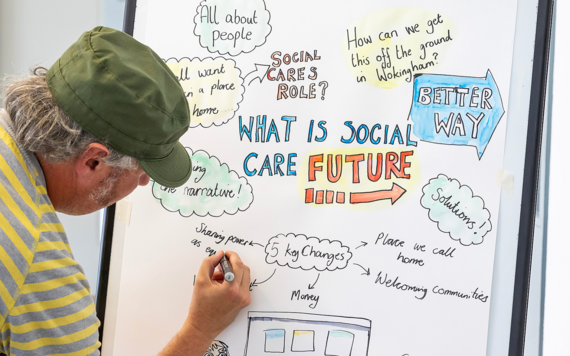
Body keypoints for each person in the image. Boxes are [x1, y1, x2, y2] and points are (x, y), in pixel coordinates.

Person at [0, 26, 251, 356]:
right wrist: (201, 328)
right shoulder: (37, 262)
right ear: (93, 161)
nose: (145, 182)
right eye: (142, 169)